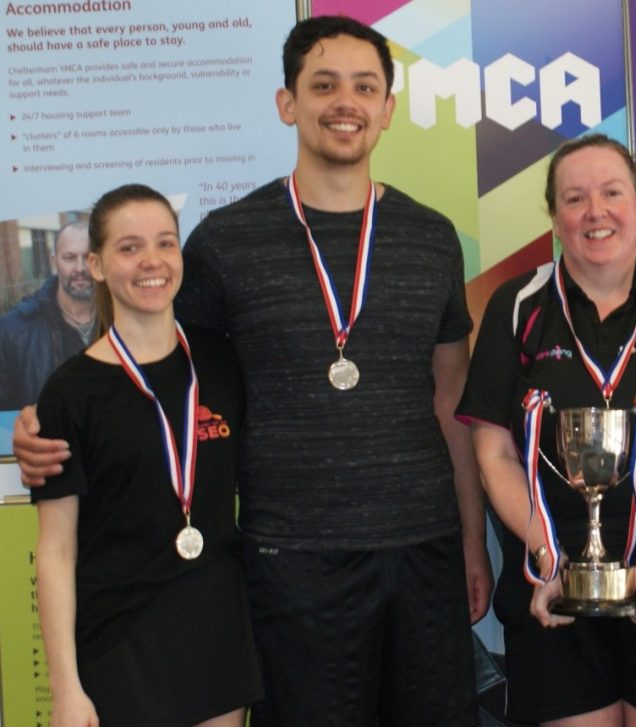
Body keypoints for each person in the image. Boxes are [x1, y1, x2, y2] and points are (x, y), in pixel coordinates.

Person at [16, 15, 490, 727]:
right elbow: (161, 373)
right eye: (323, 84)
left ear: (388, 109)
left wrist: (470, 538)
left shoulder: (432, 237)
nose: (345, 102)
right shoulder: (225, 241)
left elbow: (452, 397)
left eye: (365, 87)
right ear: (287, 103)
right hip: (288, 561)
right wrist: (48, 423)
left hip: (422, 551)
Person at [456, 133, 636, 726]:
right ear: (554, 217)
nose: (596, 211)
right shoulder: (516, 306)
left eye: (612, 192)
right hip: (552, 586)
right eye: (575, 198)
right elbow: (494, 455)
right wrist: (546, 555)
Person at [32, 184, 262, 727]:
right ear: (97, 264)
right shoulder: (71, 393)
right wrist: (65, 686)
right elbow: (56, 551)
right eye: (129, 247)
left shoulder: (221, 360)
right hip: (120, 637)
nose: (151, 262)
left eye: (165, 243)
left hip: (215, 626)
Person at [0, 221, 96, 410]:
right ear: (54, 262)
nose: (80, 268)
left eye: (88, 257)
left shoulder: (126, 320)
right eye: (69, 257)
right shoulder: (13, 330)